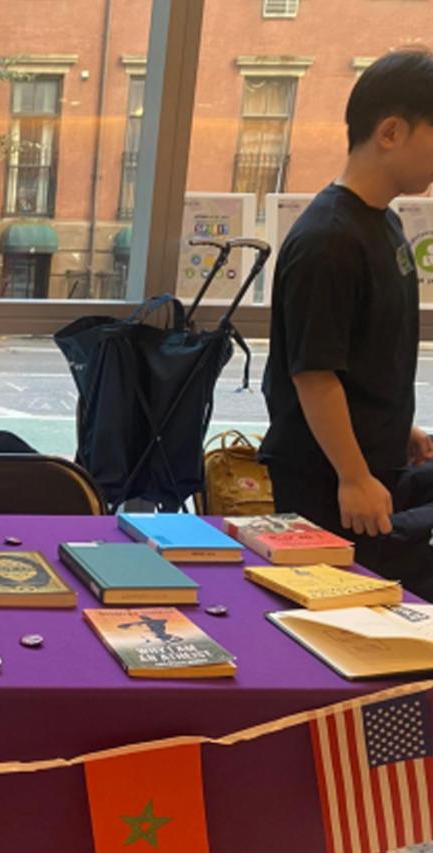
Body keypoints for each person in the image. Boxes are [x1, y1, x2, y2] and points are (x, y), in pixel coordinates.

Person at [260, 47, 433, 593]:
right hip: (325, 477)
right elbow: (313, 374)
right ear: (390, 132)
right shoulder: (329, 239)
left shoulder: (381, 224)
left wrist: (394, 425)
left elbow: (366, 349)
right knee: (346, 620)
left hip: (370, 459)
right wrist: (354, 475)